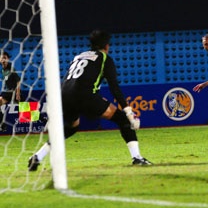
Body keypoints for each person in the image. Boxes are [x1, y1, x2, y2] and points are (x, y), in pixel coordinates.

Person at [28, 30, 152, 171]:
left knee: (71, 128)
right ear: (106, 46)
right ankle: (137, 157)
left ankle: (37, 157)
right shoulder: (105, 59)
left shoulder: (79, 56)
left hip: (63, 96)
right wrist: (129, 112)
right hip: (85, 96)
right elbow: (114, 88)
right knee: (122, 119)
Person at [0, 52, 21, 132]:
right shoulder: (3, 69)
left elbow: (18, 81)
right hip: (8, 93)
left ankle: (43, 119)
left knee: (26, 110)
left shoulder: (11, 68)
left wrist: (18, 93)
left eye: (5, 58)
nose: (3, 60)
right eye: (2, 58)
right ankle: (3, 125)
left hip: (15, 92)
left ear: (8, 59)